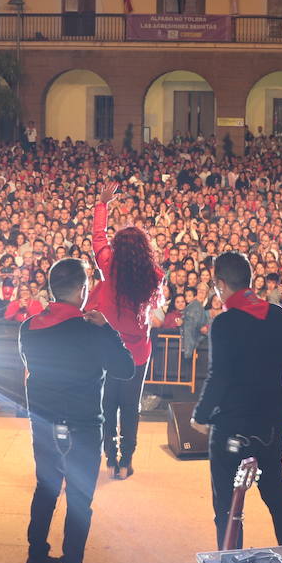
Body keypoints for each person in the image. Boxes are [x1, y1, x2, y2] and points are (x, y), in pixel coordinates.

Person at [19, 258, 134, 563]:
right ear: (83, 291)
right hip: (81, 427)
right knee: (80, 502)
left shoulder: (28, 327)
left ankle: (35, 558)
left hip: (43, 422)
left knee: (45, 490)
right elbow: (125, 369)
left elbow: (29, 366)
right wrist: (108, 330)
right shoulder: (89, 330)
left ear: (52, 289)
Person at [191, 251, 282, 547]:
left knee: (227, 507)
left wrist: (201, 416)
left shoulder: (224, 323)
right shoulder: (279, 315)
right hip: (271, 423)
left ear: (220, 283)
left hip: (231, 426)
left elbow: (218, 377)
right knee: (276, 495)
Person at [88, 181, 163, 480]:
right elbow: (147, 315)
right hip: (137, 352)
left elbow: (97, 238)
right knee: (130, 407)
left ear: (119, 248)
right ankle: (126, 461)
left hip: (106, 348)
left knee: (107, 405)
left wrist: (102, 204)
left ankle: (110, 458)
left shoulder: (109, 265)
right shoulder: (154, 275)